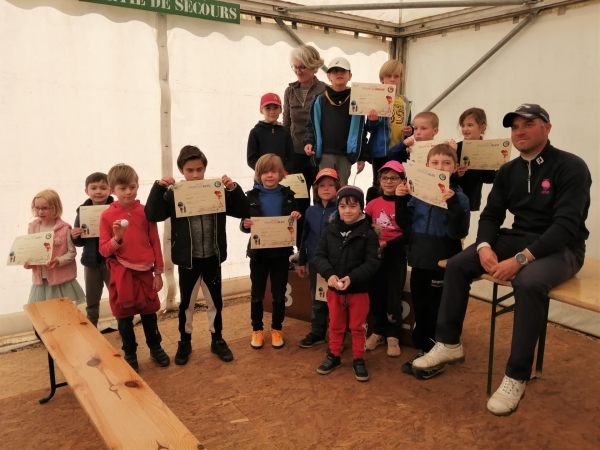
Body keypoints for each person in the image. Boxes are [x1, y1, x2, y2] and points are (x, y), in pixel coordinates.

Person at [411, 104, 591, 416]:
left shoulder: (571, 166)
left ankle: (516, 375)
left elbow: (566, 226)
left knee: (529, 282)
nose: (520, 132)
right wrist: (483, 246)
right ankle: (449, 342)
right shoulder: (509, 170)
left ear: (546, 128)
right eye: (515, 127)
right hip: (519, 235)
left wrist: (520, 259)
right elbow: (492, 215)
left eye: (528, 125)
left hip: (564, 247)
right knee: (457, 263)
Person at [145, 146, 249, 365]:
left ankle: (217, 339)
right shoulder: (174, 193)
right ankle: (185, 340)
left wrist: (232, 189)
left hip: (212, 257)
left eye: (199, 169)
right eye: (189, 170)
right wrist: (158, 188)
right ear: (181, 170)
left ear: (205, 169)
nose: (195, 174)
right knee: (187, 305)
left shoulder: (217, 190)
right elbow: (152, 214)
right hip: (188, 260)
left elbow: (242, 210)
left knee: (215, 303)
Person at [398, 144, 470, 376]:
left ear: (455, 167)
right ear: (427, 166)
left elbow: (459, 231)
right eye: (435, 163)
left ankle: (436, 352)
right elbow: (405, 225)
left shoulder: (459, 197)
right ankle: (424, 349)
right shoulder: (417, 193)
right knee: (421, 306)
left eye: (446, 163)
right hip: (419, 258)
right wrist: (400, 200)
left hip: (443, 259)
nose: (441, 167)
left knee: (438, 309)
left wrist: (453, 205)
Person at [99, 163, 169, 372]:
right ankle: (130, 353)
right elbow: (104, 250)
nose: (128, 192)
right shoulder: (106, 216)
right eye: (122, 188)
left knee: (149, 314)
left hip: (146, 273)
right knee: (124, 317)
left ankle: (155, 348)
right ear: (113, 191)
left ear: (138, 185)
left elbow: (155, 241)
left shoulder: (145, 212)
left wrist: (158, 273)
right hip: (121, 275)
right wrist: (117, 238)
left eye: (132, 186)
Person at [313, 186, 381, 382]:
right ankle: (333, 356)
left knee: (358, 327)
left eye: (353, 206)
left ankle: (358, 359)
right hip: (335, 291)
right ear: (338, 207)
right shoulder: (330, 230)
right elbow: (319, 255)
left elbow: (373, 262)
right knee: (335, 324)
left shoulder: (368, 233)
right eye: (343, 206)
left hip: (358, 291)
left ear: (361, 207)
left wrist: (352, 277)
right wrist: (329, 275)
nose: (347, 211)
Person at [241, 154, 301, 350]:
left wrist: (295, 215)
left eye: (273, 171)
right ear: (259, 174)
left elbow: (296, 219)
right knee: (257, 294)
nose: (269, 175)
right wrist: (245, 224)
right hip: (258, 254)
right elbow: (244, 223)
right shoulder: (250, 196)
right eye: (265, 171)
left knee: (278, 294)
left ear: (280, 173)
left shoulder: (288, 195)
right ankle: (257, 330)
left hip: (281, 254)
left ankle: (277, 329)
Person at [364, 161, 411, 357]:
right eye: (385, 178)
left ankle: (393, 336)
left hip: (395, 254)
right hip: (375, 255)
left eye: (394, 178)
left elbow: (409, 234)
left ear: (402, 180)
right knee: (376, 295)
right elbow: (365, 230)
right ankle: (377, 332)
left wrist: (387, 244)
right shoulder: (373, 204)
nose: (389, 182)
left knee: (393, 297)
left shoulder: (408, 203)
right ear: (379, 180)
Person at [283, 45, 327, 250]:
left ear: (313, 67)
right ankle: (301, 250)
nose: (298, 71)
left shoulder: (324, 90)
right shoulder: (289, 91)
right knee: (298, 203)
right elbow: (286, 124)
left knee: (321, 201)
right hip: (295, 156)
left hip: (317, 155)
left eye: (302, 67)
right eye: (295, 67)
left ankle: (321, 247)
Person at [303, 57, 367, 186]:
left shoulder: (358, 100)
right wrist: (309, 142)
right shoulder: (319, 101)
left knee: (342, 190)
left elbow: (362, 131)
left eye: (343, 71)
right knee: (325, 189)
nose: (339, 73)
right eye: (335, 71)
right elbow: (310, 125)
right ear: (328, 76)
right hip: (324, 154)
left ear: (350, 75)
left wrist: (362, 156)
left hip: (346, 156)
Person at [297, 168, 341, 348]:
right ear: (316, 189)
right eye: (322, 185)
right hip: (315, 264)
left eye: (331, 185)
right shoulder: (310, 211)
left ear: (337, 188)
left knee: (337, 300)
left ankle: (336, 333)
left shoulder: (341, 210)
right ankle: (317, 332)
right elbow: (305, 236)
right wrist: (301, 260)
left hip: (336, 265)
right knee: (318, 299)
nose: (326, 189)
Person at [25, 189, 86, 305]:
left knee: (64, 313)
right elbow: (31, 250)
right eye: (36, 208)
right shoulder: (32, 227)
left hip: (61, 281)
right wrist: (29, 262)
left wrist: (58, 261)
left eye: (45, 208)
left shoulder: (64, 228)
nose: (40, 212)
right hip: (41, 281)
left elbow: (72, 253)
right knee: (43, 315)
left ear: (56, 208)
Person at [72, 173, 114, 327]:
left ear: (110, 190)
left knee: (117, 296)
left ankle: (124, 324)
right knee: (92, 298)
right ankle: (92, 326)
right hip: (91, 263)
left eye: (103, 188)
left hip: (112, 261)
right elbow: (79, 243)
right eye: (94, 188)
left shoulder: (116, 208)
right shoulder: (82, 211)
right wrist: (75, 236)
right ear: (86, 191)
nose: (98, 191)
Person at [365, 60, 413, 187]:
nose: (392, 79)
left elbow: (409, 122)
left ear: (401, 78)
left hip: (400, 150)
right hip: (380, 151)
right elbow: (369, 128)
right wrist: (372, 121)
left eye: (396, 76)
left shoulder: (404, 101)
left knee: (399, 181)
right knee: (379, 182)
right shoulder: (376, 99)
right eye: (388, 76)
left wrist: (410, 130)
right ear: (382, 79)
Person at [454, 107, 496, 211]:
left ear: (482, 127)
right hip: (451, 198)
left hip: (470, 200)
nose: (465, 129)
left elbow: (488, 178)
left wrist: (502, 169)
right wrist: (456, 174)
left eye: (470, 125)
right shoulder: (455, 148)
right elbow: (445, 174)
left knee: (463, 226)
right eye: (462, 125)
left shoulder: (488, 151)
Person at [247, 93, 294, 174]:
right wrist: (264, 172)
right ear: (261, 110)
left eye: (275, 108)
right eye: (268, 108)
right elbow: (251, 159)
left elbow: (292, 157)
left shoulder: (285, 132)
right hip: (261, 180)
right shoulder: (255, 132)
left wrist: (285, 171)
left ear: (280, 110)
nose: (272, 111)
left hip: (282, 178)